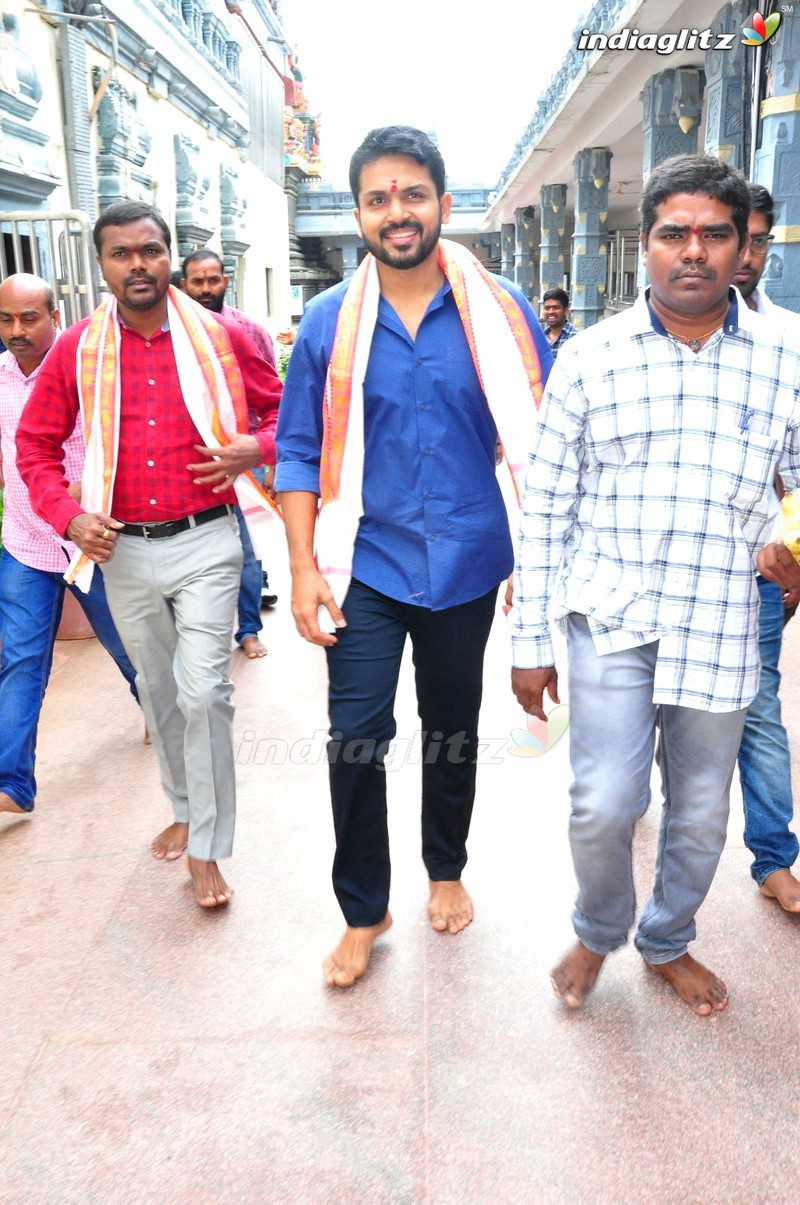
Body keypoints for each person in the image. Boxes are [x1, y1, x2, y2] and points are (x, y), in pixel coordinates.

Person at [511, 154, 800, 1017]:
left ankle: (667, 938)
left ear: (745, 244)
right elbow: (547, 509)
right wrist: (529, 643)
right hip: (613, 617)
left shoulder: (788, 357)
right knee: (604, 801)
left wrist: (794, 547)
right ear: (645, 246)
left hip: (722, 619)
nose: (695, 252)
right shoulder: (591, 360)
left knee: (703, 812)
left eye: (717, 234)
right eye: (674, 233)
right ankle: (599, 929)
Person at [275, 125, 552, 987]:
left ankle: (446, 867)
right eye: (378, 198)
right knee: (354, 736)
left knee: (452, 730)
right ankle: (364, 908)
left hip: (468, 558)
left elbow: (543, 442)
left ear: (442, 201)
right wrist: (302, 567)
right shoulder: (328, 323)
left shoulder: (500, 312)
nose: (397, 212)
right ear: (359, 213)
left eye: (412, 193)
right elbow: (293, 450)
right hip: (362, 563)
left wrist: (535, 563)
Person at [16, 200, 282, 907]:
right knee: (161, 693)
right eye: (122, 254)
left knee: (205, 690)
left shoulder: (223, 337)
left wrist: (260, 446)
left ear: (169, 255)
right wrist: (70, 518)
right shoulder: (78, 348)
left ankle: (207, 847)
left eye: (151, 250)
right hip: (123, 552)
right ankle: (184, 805)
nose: (140, 265)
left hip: (207, 538)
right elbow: (34, 447)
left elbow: (286, 412)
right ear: (101, 265)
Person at [0, 273, 139, 816]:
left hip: (93, 540)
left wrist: (88, 489)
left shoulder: (88, 372)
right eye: (7, 318)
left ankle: (158, 707)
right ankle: (12, 782)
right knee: (20, 657)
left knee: (129, 645)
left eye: (29, 317)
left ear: (54, 317)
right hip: (26, 543)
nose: (17, 330)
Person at [731, 183, 800, 911]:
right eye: (733, 237)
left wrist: (798, 560)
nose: (744, 256)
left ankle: (775, 856)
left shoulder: (791, 338)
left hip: (763, 566)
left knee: (759, 705)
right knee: (667, 705)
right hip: (668, 564)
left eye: (757, 242)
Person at [182, 248, 278, 660]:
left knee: (246, 552)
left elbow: (273, 400)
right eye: (197, 281)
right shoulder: (170, 334)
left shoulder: (246, 332)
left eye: (213, 280)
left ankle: (249, 629)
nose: (206, 289)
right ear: (183, 285)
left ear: (225, 281)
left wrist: (266, 457)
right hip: (191, 468)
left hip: (241, 466)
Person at [540, 288, 577, 360]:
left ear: (566, 310)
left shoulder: (575, 337)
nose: (551, 312)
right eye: (547, 308)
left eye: (556, 308)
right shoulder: (541, 338)